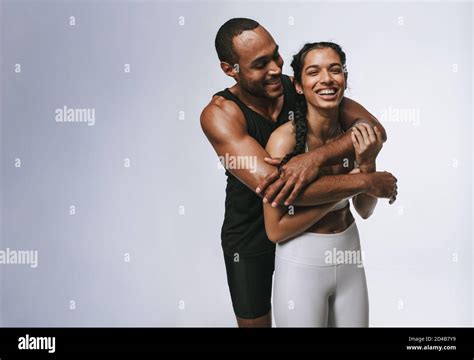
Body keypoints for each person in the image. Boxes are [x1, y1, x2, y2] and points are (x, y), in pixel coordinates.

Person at [200, 18, 397, 328]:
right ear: (230, 69)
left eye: (276, 55)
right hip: (251, 234)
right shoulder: (221, 114)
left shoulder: (301, 87)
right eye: (260, 63)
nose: (276, 68)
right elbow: (277, 188)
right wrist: (366, 181)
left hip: (312, 230)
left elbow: (372, 130)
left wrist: (314, 159)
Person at [264, 41, 392, 327]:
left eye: (335, 70)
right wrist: (359, 183)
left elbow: (365, 210)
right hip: (301, 265)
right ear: (298, 85)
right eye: (313, 72)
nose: (327, 79)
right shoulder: (284, 140)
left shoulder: (353, 134)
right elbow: (275, 229)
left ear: (344, 78)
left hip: (350, 256)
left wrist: (368, 164)